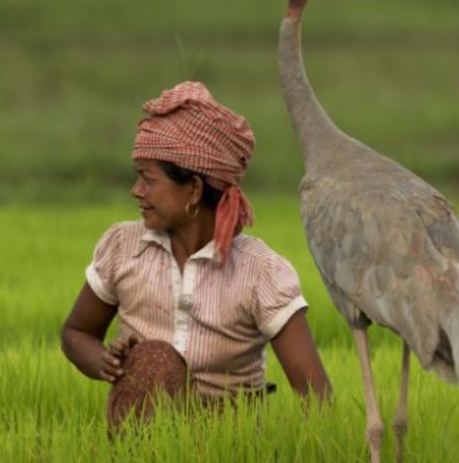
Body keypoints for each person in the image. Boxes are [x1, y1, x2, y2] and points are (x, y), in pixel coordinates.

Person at [60, 81, 332, 429]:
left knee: (157, 361)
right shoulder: (123, 248)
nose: (136, 191)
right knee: (155, 361)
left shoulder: (258, 271)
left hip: (229, 452)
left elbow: (316, 395)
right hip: (141, 448)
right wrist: (104, 361)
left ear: (194, 190)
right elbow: (75, 332)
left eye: (148, 179)